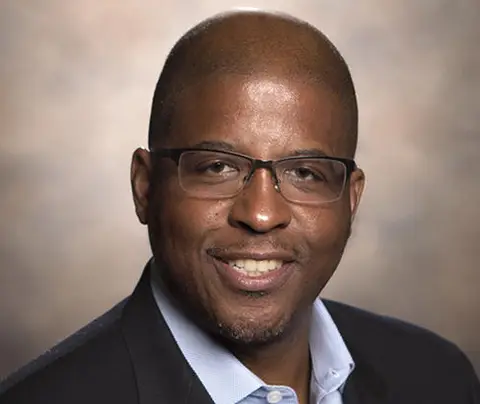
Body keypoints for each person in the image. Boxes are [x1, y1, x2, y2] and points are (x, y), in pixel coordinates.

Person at [0, 9, 479, 404]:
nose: (262, 214)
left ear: (352, 200)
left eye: (306, 172)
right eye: (217, 168)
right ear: (145, 187)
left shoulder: (439, 378)